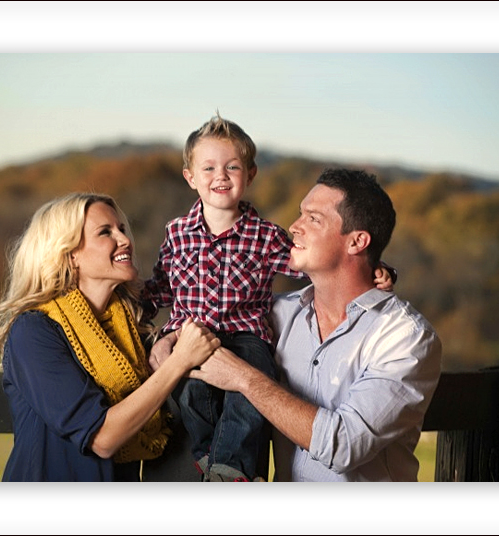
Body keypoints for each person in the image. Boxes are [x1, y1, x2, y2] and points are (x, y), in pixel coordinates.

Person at [143, 114, 394, 482]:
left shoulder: (264, 235)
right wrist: (137, 309)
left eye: (232, 166)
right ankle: (206, 456)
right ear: (190, 177)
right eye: (208, 167)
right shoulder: (177, 233)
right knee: (191, 393)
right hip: (190, 335)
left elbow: (316, 263)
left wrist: (374, 267)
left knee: (251, 390)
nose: (221, 176)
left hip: (246, 336)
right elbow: (162, 285)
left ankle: (230, 469)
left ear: (251, 173)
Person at [168, 167, 443, 482]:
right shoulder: (280, 316)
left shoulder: (405, 337)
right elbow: (213, 318)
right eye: (300, 215)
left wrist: (243, 378)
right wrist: (167, 340)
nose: (294, 227)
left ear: (357, 242)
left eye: (314, 219)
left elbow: (343, 446)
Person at [0, 192, 220, 482]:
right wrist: (180, 362)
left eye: (122, 229)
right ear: (69, 254)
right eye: (105, 232)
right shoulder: (35, 331)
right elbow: (102, 438)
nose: (125, 240)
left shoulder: (133, 329)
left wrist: (171, 340)